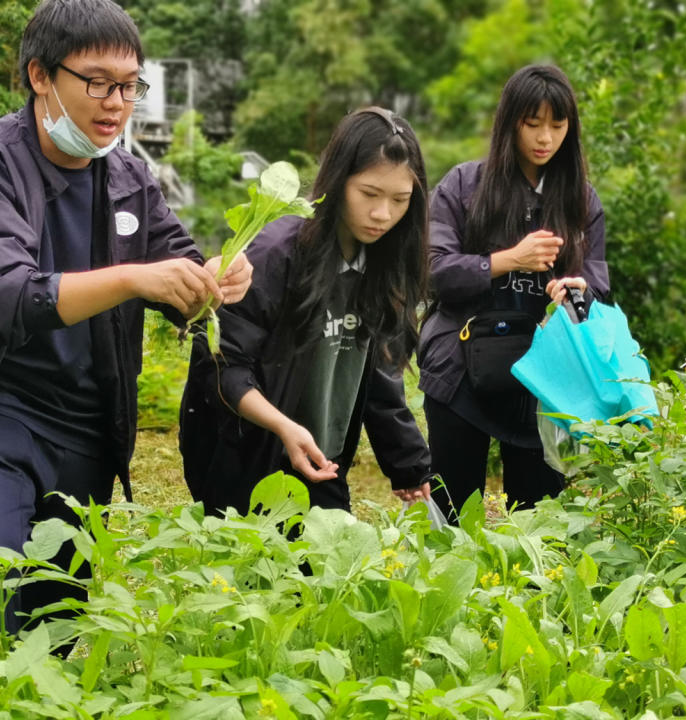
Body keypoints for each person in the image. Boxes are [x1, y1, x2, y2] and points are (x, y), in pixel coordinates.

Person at [0, 0, 251, 650]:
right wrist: (131, 278)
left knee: (52, 635)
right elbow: (2, 299)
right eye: (96, 81)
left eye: (128, 85)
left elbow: (178, 269)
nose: (116, 103)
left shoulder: (127, 178)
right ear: (40, 75)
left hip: (85, 430)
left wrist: (213, 280)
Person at [180, 107, 434, 517]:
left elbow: (376, 373)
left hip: (321, 463)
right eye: (369, 194)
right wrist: (283, 426)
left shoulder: (384, 262)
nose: (383, 214)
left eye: (400, 200)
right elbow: (222, 367)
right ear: (337, 182)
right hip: (247, 459)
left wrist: (409, 463)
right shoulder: (277, 254)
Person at [417, 64, 610, 520]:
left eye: (557, 125)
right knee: (452, 516)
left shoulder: (581, 199)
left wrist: (579, 291)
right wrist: (510, 259)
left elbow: (599, 284)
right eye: (532, 123)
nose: (545, 137)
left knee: (539, 522)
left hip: (543, 377)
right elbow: (432, 271)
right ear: (509, 123)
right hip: (459, 370)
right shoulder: (464, 185)